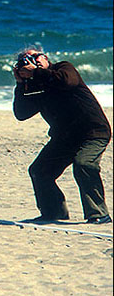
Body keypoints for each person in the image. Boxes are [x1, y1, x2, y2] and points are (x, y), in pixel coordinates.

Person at [12, 44, 112, 224]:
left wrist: (36, 72)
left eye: (36, 58)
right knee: (39, 171)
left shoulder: (63, 68)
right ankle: (54, 213)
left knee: (84, 164)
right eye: (26, 61)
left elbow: (67, 82)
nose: (32, 63)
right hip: (65, 137)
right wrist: (21, 85)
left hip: (93, 131)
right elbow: (22, 113)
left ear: (46, 58)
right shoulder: (34, 84)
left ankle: (99, 214)